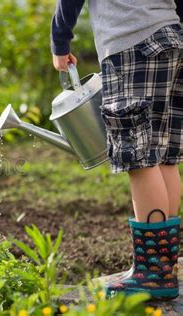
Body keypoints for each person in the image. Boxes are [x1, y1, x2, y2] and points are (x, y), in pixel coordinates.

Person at [50, 1, 182, 299]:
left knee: (139, 158)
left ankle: (152, 274)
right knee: (163, 155)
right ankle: (161, 267)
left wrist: (60, 43)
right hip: (172, 38)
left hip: (131, 44)